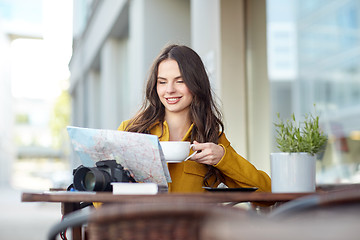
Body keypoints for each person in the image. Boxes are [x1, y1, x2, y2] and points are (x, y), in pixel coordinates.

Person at [119, 44, 271, 193]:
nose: (170, 90)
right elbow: (99, 196)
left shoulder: (211, 138)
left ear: (195, 83)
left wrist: (223, 158)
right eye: (162, 82)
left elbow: (265, 193)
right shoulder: (130, 132)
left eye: (180, 81)